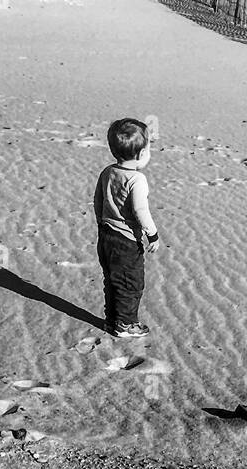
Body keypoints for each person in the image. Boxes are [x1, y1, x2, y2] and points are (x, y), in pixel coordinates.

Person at [93, 117, 160, 338]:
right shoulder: (137, 180)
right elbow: (141, 211)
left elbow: (98, 200)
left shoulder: (108, 172)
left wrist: (101, 222)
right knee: (131, 284)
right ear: (141, 155)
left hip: (106, 236)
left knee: (112, 279)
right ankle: (126, 324)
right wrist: (153, 234)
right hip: (126, 241)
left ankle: (112, 319)